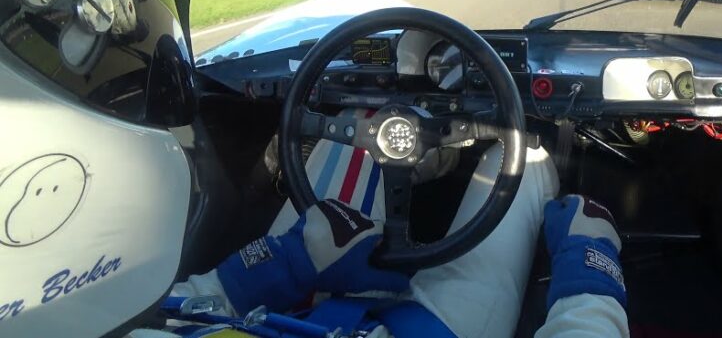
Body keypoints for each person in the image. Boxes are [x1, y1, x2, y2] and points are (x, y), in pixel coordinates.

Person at [165, 143, 629, 338]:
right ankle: (435, 154)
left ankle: (422, 157)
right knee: (522, 154)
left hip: (292, 315)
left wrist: (281, 266)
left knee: (354, 145)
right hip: (433, 331)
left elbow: (167, 315)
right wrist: (592, 278)